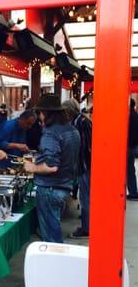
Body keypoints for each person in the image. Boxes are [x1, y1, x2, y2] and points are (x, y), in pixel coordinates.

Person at [24, 94, 80, 243]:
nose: (39, 117)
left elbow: (52, 166)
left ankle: (56, 263)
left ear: (45, 113)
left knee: (51, 236)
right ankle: (57, 260)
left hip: (51, 188)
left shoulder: (51, 133)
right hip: (65, 185)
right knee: (54, 229)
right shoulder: (72, 130)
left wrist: (32, 167)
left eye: (39, 113)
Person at [62, 98, 92, 238]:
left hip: (85, 165)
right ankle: (87, 224)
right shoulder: (81, 121)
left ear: (69, 111)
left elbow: (85, 147)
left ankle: (86, 228)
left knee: (85, 198)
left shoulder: (80, 123)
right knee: (85, 197)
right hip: (84, 165)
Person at [127, 98, 138, 200]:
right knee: (130, 170)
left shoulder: (129, 116)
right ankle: (133, 191)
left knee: (129, 170)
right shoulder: (136, 116)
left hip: (129, 147)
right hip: (134, 146)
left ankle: (133, 193)